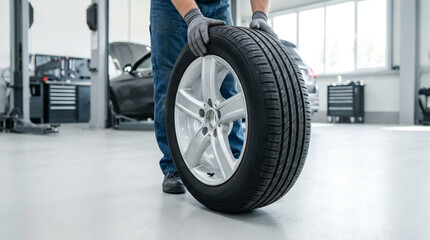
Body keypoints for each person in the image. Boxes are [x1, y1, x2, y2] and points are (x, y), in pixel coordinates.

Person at [150, 0, 278, 194]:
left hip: (218, 4)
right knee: (168, 88)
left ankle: (234, 157)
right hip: (170, 7)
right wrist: (192, 16)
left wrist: (260, 16)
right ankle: (173, 167)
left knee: (226, 84)